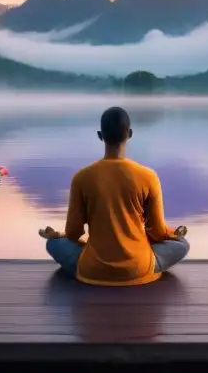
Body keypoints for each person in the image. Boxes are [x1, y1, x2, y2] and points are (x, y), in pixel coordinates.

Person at [39, 106, 189, 286]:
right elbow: (157, 232)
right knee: (182, 244)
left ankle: (85, 255)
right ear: (130, 134)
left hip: (93, 268)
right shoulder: (148, 176)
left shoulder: (82, 177)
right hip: (138, 267)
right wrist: (174, 233)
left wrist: (57, 236)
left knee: (52, 244)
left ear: (100, 135)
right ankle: (140, 259)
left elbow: (73, 233)